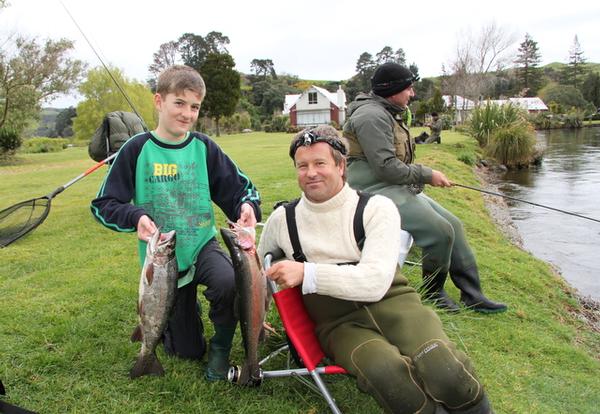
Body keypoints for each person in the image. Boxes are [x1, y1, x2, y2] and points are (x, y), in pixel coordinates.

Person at [258, 126, 493, 414]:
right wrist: (258, 319)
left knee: (445, 370)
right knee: (387, 375)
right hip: (339, 324)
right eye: (302, 166)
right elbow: (259, 270)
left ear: (341, 166)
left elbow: (374, 283)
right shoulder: (283, 219)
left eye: (320, 163)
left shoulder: (376, 208)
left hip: (395, 303)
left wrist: (308, 273)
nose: (311, 173)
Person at [91, 65, 261, 381]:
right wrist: (136, 216)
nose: (187, 113)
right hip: (164, 263)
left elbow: (240, 189)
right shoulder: (136, 149)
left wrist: (247, 206)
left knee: (227, 282)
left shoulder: (204, 148)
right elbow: (103, 205)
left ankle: (221, 348)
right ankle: (179, 319)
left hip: (201, 244)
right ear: (159, 101)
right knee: (186, 351)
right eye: (179, 103)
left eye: (194, 106)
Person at [342, 62, 506, 313]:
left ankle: (472, 294)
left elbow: (395, 165)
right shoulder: (371, 116)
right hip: (373, 189)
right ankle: (433, 292)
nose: (412, 93)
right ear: (393, 89)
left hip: (391, 185)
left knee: (455, 226)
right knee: (439, 231)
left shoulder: (387, 111)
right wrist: (428, 175)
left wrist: (421, 177)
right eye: (409, 88)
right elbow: (386, 167)